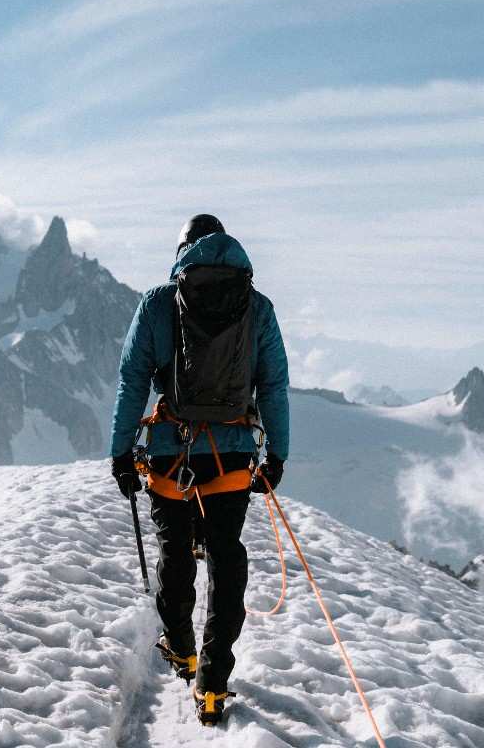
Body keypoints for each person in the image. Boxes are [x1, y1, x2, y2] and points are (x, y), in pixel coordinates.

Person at [108, 214, 289, 727]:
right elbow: (273, 384)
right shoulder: (258, 306)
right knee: (226, 554)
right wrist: (277, 454)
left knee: (173, 547)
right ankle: (213, 680)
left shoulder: (159, 303)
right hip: (231, 453)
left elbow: (132, 381)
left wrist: (122, 453)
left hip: (171, 450)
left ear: (184, 251)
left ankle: (182, 648)